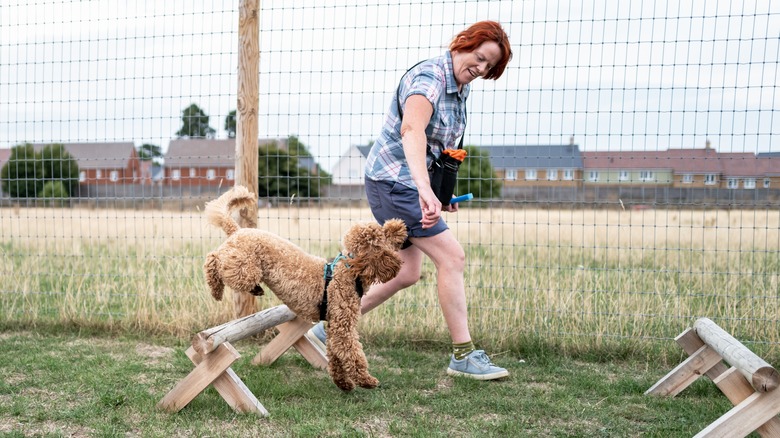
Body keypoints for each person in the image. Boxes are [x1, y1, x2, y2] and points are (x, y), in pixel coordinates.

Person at [307, 21, 513, 380]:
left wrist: (440, 194)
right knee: (452, 257)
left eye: (489, 67)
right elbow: (412, 131)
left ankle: (327, 325)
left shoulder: (460, 88)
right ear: (464, 44)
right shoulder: (430, 79)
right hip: (393, 181)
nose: (481, 69)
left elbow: (441, 149)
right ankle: (463, 355)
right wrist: (424, 190)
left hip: (407, 183)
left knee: (405, 272)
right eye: (480, 58)